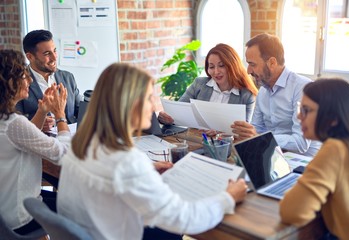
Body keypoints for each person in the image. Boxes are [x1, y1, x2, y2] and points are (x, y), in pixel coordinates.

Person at [57, 63, 248, 240]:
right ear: (131, 104)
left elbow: (114, 179)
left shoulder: (82, 143)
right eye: (149, 98)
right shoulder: (127, 162)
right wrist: (228, 197)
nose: (152, 105)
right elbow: (185, 219)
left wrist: (146, 169)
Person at [0, 49, 71, 234]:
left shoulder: (7, 120)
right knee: (82, 209)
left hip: (6, 210)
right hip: (20, 217)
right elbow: (64, 155)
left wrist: (42, 111)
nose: (30, 81)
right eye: (24, 76)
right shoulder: (14, 123)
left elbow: (24, 138)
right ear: (9, 82)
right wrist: (60, 115)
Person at [279, 78, 349, 239]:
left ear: (332, 118)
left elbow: (292, 211)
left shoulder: (335, 149)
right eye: (300, 109)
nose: (299, 116)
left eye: (306, 110)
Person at [231, 33, 321, 156]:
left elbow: (301, 143)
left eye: (252, 64)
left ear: (272, 63)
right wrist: (244, 134)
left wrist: (260, 138)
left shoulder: (303, 88)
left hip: (303, 163)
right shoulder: (263, 91)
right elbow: (256, 129)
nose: (248, 71)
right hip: (274, 157)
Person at [158, 43, 258, 124]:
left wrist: (220, 134)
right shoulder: (199, 84)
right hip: (195, 139)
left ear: (233, 66)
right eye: (211, 67)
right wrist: (165, 118)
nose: (216, 72)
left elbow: (244, 132)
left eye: (221, 65)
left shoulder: (246, 95)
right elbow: (177, 112)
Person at [16, 29, 81, 131]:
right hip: (37, 142)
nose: (54, 57)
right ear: (30, 57)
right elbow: (14, 125)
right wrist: (37, 123)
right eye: (47, 53)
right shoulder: (19, 82)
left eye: (54, 51)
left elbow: (80, 111)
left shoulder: (68, 77)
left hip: (69, 139)